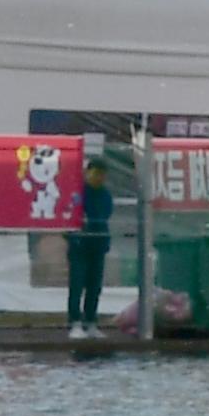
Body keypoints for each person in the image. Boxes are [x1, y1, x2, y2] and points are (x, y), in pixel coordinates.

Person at [63, 139, 116, 339]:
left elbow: (105, 215)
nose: (99, 177)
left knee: (94, 286)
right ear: (87, 172)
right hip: (79, 245)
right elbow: (69, 215)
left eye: (102, 174)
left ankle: (91, 321)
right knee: (77, 284)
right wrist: (73, 237)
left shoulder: (105, 195)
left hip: (98, 244)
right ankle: (75, 321)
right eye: (95, 173)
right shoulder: (78, 192)